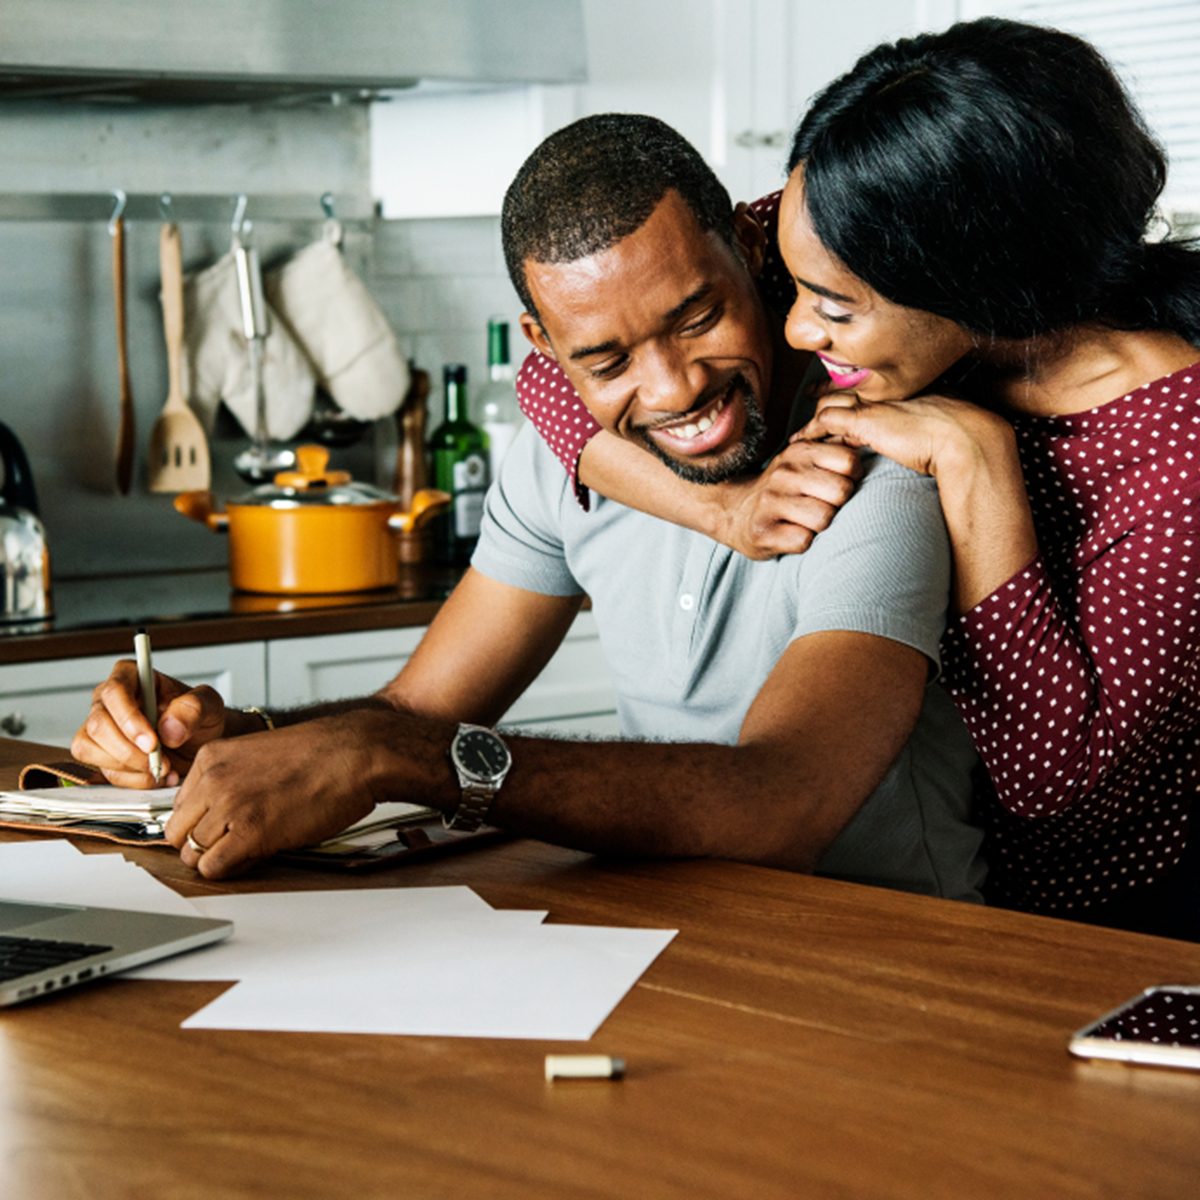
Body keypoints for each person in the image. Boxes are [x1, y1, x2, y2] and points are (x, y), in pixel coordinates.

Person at [71, 114, 984, 899]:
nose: (674, 390)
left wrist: (398, 756)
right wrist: (237, 739)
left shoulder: (870, 459)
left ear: (751, 251)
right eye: (608, 360)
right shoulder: (559, 468)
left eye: (697, 318)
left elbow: (783, 802)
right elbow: (415, 710)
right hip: (691, 939)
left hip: (894, 956)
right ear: (544, 349)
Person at [511, 20, 1200, 939]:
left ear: (969, 283)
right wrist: (724, 511)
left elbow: (1054, 785)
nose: (795, 329)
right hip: (931, 896)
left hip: (1104, 934)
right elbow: (551, 376)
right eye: (791, 286)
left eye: (831, 307)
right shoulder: (850, 221)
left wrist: (975, 459)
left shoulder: (1176, 454)